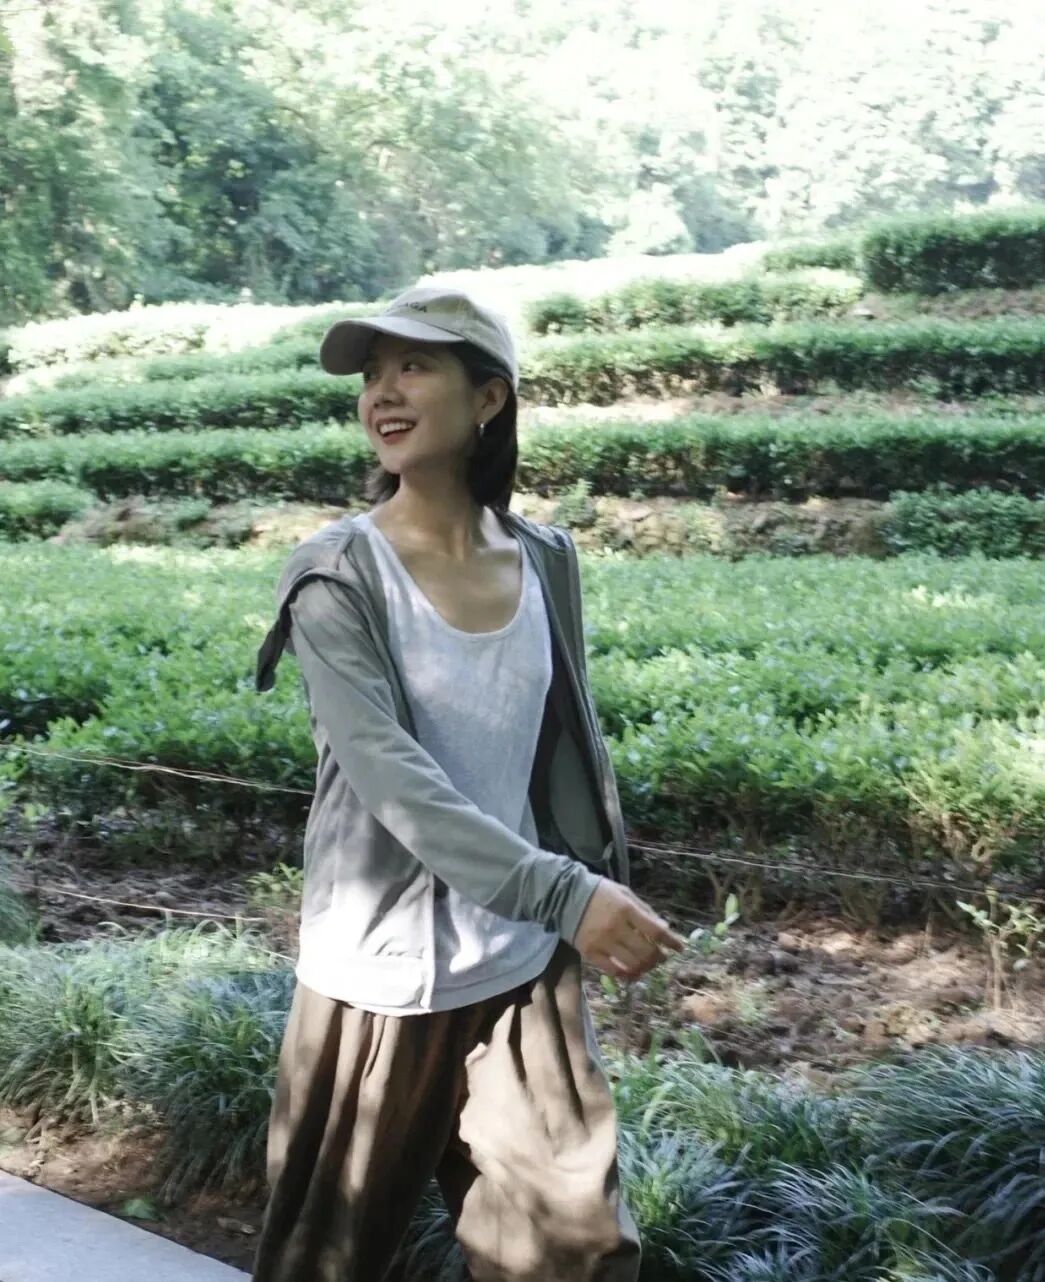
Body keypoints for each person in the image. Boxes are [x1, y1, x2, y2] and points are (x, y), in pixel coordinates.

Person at [250, 284, 688, 1282]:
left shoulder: (544, 559)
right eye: (372, 374)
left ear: (488, 398)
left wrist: (577, 887)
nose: (382, 392)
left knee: (574, 1251)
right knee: (327, 1259)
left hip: (519, 962)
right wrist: (568, 894)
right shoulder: (336, 574)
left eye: (413, 365)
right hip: (379, 975)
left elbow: (557, 747)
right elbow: (391, 779)